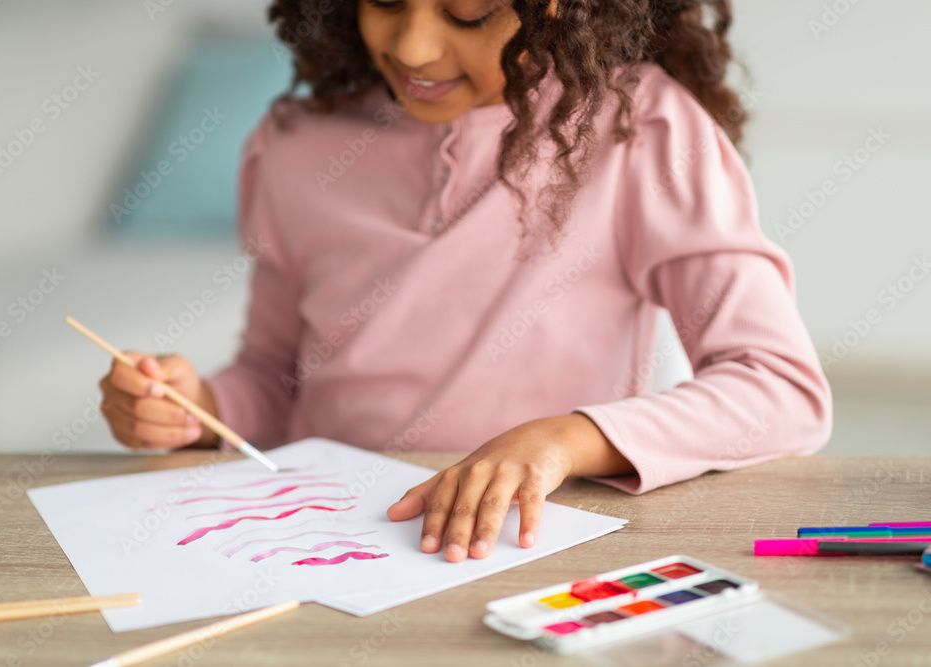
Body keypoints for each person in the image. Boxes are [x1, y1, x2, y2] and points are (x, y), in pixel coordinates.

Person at [98, 0, 832, 564]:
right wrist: (195, 410)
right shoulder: (296, 142)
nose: (413, 47)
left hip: (535, 553)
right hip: (327, 547)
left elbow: (780, 389)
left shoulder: (639, 128)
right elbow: (274, 380)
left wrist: (564, 440)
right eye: (385, 1)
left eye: (468, 13)